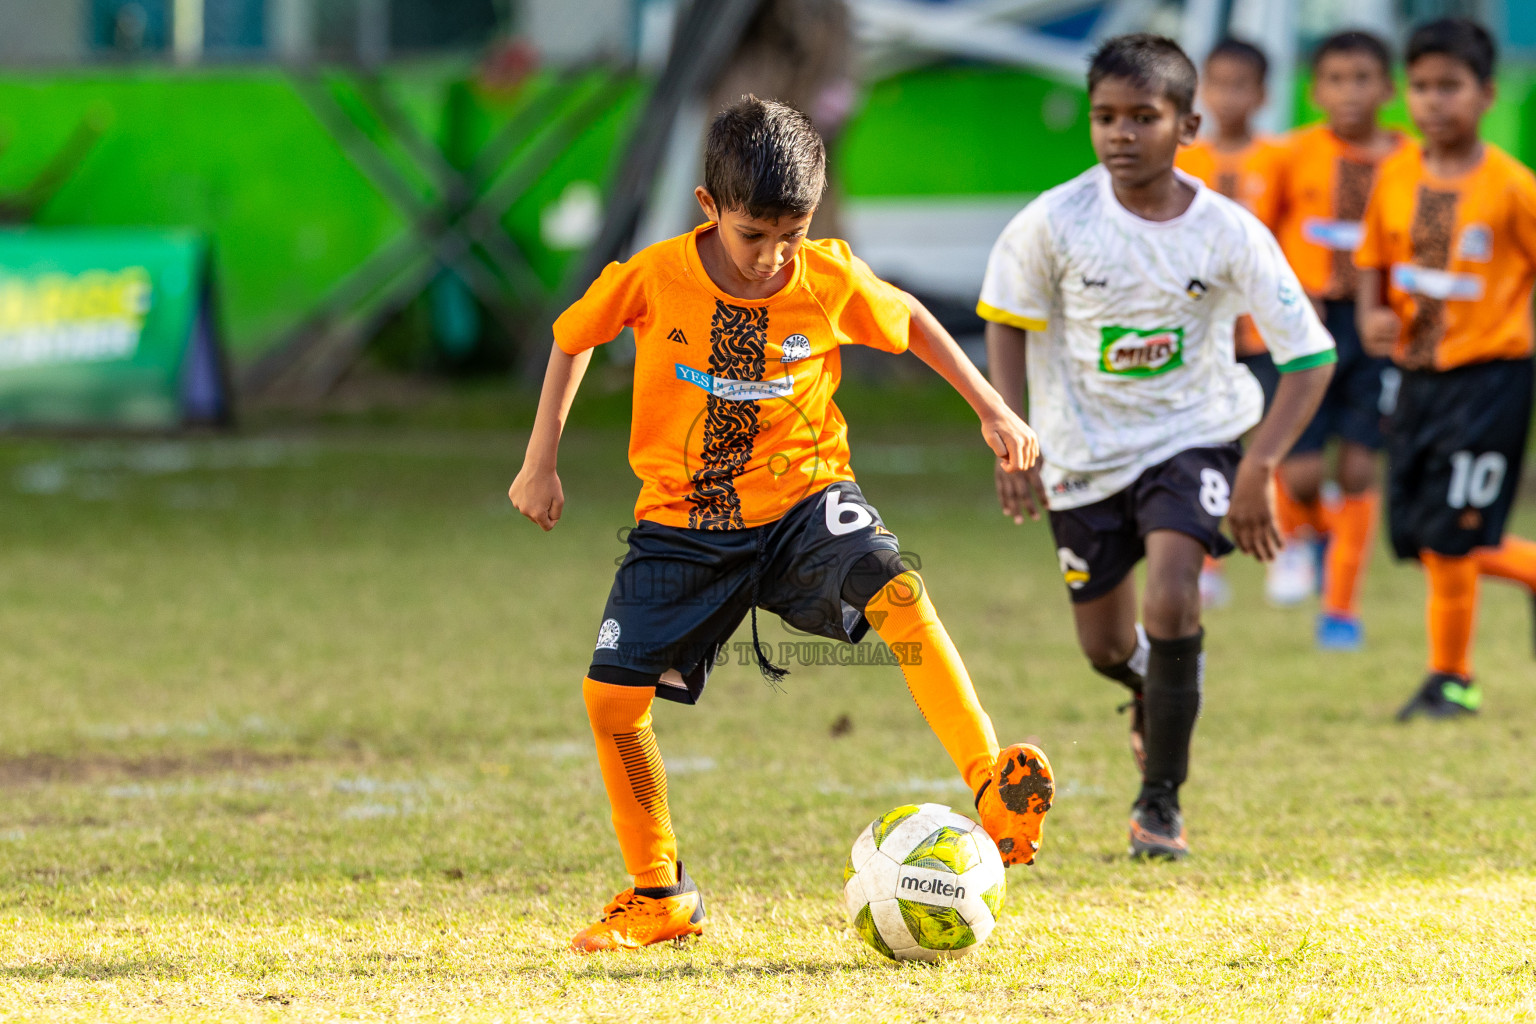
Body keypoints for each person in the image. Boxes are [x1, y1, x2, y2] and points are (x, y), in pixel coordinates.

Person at [509, 96, 1056, 952]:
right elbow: (573, 336)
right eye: (752, 235)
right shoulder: (654, 276)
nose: (771, 257)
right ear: (708, 209)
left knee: (897, 592)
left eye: (790, 236)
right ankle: (659, 892)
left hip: (805, 500)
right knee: (611, 700)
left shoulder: (826, 278)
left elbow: (909, 319)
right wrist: (541, 460)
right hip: (684, 524)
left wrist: (991, 407)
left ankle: (990, 784)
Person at [980, 35, 1335, 859]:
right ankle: (1150, 686)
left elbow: (1310, 356)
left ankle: (1159, 806)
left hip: (1194, 437)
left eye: (1145, 117)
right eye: (1106, 117)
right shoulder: (1056, 220)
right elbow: (1006, 317)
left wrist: (1258, 464)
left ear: (1189, 125)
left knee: (1174, 596)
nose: (1121, 134)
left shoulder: (1227, 232)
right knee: (1106, 646)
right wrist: (1012, 434)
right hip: (1080, 454)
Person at [1355, 18, 1536, 720]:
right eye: (1423, 87)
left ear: (1486, 94)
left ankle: (1451, 681)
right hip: (1415, 379)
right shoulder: (1396, 176)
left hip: (1490, 380)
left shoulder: (1512, 189)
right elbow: (1374, 261)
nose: (1434, 102)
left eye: (1450, 87)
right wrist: (1373, 314)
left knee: (1453, 535)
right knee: (1417, 534)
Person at [1263, 31, 1403, 650]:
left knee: (1357, 468)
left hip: (1378, 327)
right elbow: (1261, 232)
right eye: (1336, 79)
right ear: (1315, 89)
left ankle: (1340, 609)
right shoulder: (1292, 155)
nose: (1349, 92)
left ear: (1388, 87)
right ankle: (1307, 534)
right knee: (1299, 474)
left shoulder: (1408, 161)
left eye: (1363, 77)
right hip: (1307, 325)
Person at [1175, 36, 1285, 609]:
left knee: (1270, 442)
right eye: (1216, 83)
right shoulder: (1185, 161)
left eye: (1239, 84)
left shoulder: (1279, 160)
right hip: (1203, 335)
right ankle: (1208, 557)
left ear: (1262, 93)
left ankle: (1281, 551)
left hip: (1264, 332)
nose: (1226, 96)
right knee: (1208, 446)